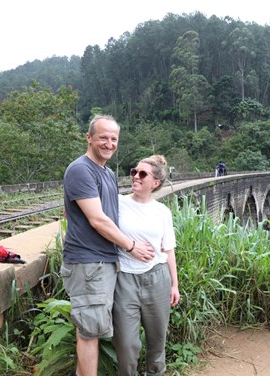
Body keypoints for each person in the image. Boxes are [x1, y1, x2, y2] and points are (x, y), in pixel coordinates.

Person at [60, 114, 155, 376]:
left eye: (114, 139)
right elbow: (98, 219)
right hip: (89, 262)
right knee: (90, 331)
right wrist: (131, 246)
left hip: (103, 261)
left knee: (94, 328)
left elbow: (76, 213)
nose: (109, 143)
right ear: (89, 138)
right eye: (103, 137)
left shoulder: (107, 173)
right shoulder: (80, 169)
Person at [112, 154, 180, 376]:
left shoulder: (162, 212)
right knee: (126, 345)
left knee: (157, 341)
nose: (136, 177)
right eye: (134, 171)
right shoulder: (118, 202)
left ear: (156, 183)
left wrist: (174, 285)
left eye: (143, 174)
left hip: (157, 278)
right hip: (124, 279)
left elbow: (168, 250)